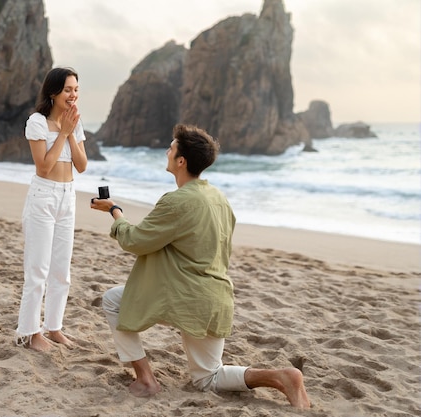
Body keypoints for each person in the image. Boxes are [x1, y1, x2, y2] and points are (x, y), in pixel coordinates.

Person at [90, 124, 310, 409]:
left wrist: (114, 211)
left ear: (181, 161)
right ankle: (280, 376)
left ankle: (146, 379)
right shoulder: (218, 198)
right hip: (216, 297)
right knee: (209, 376)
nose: (167, 151)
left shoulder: (176, 201)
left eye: (171, 148)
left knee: (112, 300)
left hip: (185, 297)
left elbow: (135, 240)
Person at [16, 67, 88, 352]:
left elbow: (81, 166)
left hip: (67, 197)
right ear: (54, 92)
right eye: (68, 90)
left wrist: (70, 132)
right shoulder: (36, 122)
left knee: (61, 270)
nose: (73, 95)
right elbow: (43, 167)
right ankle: (30, 332)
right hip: (43, 197)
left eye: (76, 90)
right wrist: (63, 133)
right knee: (37, 270)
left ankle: (54, 327)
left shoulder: (74, 124)